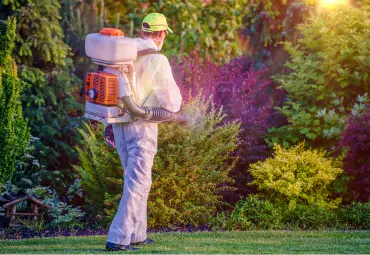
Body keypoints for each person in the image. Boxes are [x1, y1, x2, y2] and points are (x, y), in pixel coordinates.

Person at [106, 13, 183, 252]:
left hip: (119, 124)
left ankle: (137, 234)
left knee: (136, 180)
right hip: (142, 126)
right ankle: (118, 238)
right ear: (161, 34)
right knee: (138, 183)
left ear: (143, 32)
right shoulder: (157, 60)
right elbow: (171, 102)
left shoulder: (124, 55)